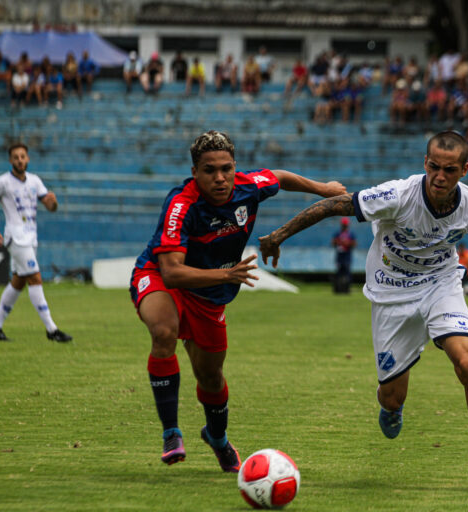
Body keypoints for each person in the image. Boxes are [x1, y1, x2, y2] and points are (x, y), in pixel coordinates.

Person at [259, 131, 468, 493]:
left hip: (440, 286)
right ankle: (392, 406)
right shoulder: (397, 195)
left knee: (467, 364)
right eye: (433, 167)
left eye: (448, 169)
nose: (439, 176)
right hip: (390, 294)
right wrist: (278, 235)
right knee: (391, 396)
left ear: (464, 169)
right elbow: (333, 206)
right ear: (424, 163)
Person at [129, 130, 345, 471]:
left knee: (211, 376)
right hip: (161, 276)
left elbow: (280, 177)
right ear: (194, 172)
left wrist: (323, 188)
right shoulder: (181, 204)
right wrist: (226, 275)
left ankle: (217, 437)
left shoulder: (248, 186)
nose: (220, 178)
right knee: (164, 331)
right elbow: (172, 272)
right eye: (209, 170)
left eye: (226, 168)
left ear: (235, 167)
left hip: (211, 295)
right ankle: (171, 433)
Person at [0, 143, 72, 343]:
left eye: (23, 156)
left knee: (18, 282)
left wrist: (53, 202)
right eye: (16, 157)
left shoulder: (35, 181)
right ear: (10, 160)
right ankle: (51, 329)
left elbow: (50, 206)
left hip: (31, 238)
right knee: (36, 278)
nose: (20, 160)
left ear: (28, 158)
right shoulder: (3, 182)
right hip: (16, 237)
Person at [331, 217, 356, 293]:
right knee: (339, 273)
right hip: (340, 256)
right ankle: (337, 289)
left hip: (347, 256)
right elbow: (333, 242)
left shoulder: (350, 234)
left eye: (345, 225)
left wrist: (348, 243)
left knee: (347, 273)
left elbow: (354, 243)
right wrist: (338, 242)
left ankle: (347, 289)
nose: (344, 226)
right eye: (343, 225)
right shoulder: (337, 233)